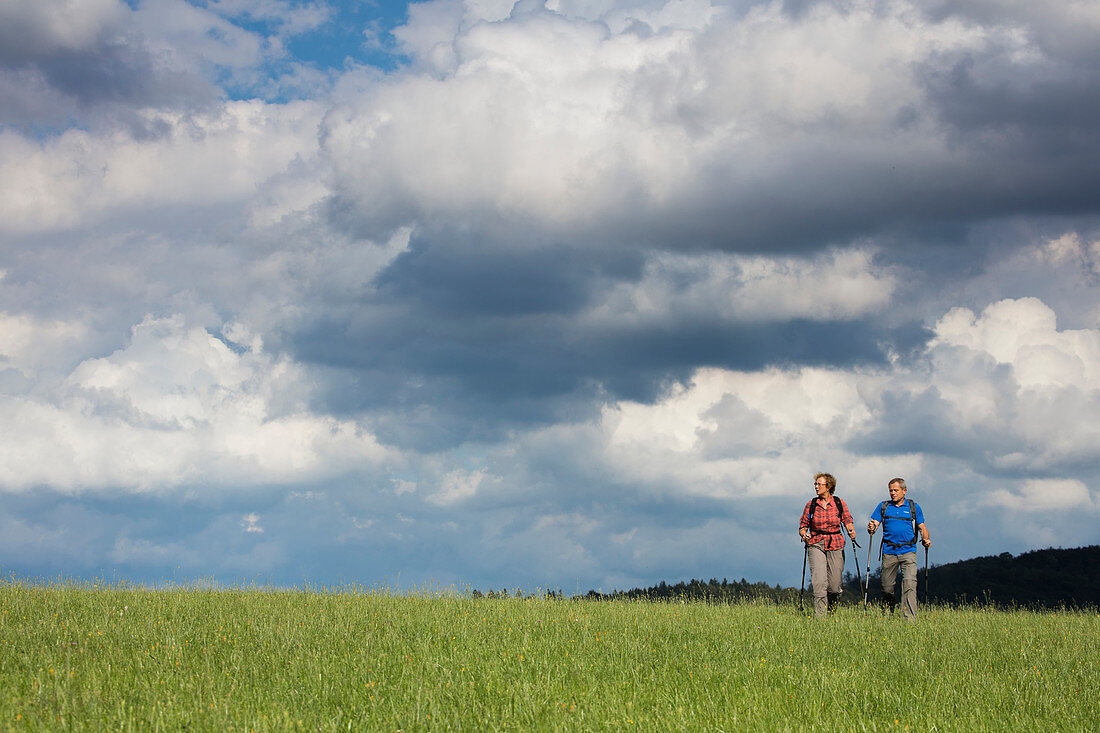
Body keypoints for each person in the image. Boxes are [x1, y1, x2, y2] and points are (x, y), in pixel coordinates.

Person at [867, 477, 931, 619]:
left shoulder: (914, 507)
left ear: (904, 491)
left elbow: (922, 527)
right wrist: (871, 527)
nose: (893, 493)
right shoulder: (883, 507)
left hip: (908, 551)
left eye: (896, 490)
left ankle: (909, 620)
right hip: (889, 552)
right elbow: (874, 526)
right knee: (887, 587)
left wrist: (926, 539)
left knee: (909, 584)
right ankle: (887, 616)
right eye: (891, 490)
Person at [799, 472, 857, 618]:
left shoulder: (839, 503)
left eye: (819, 484)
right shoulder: (811, 504)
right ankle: (820, 617)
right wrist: (804, 534)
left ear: (829, 486)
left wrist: (851, 531)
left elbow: (847, 520)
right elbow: (802, 526)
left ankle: (831, 608)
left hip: (836, 543)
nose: (816, 487)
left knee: (834, 585)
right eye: (815, 484)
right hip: (816, 543)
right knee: (819, 582)